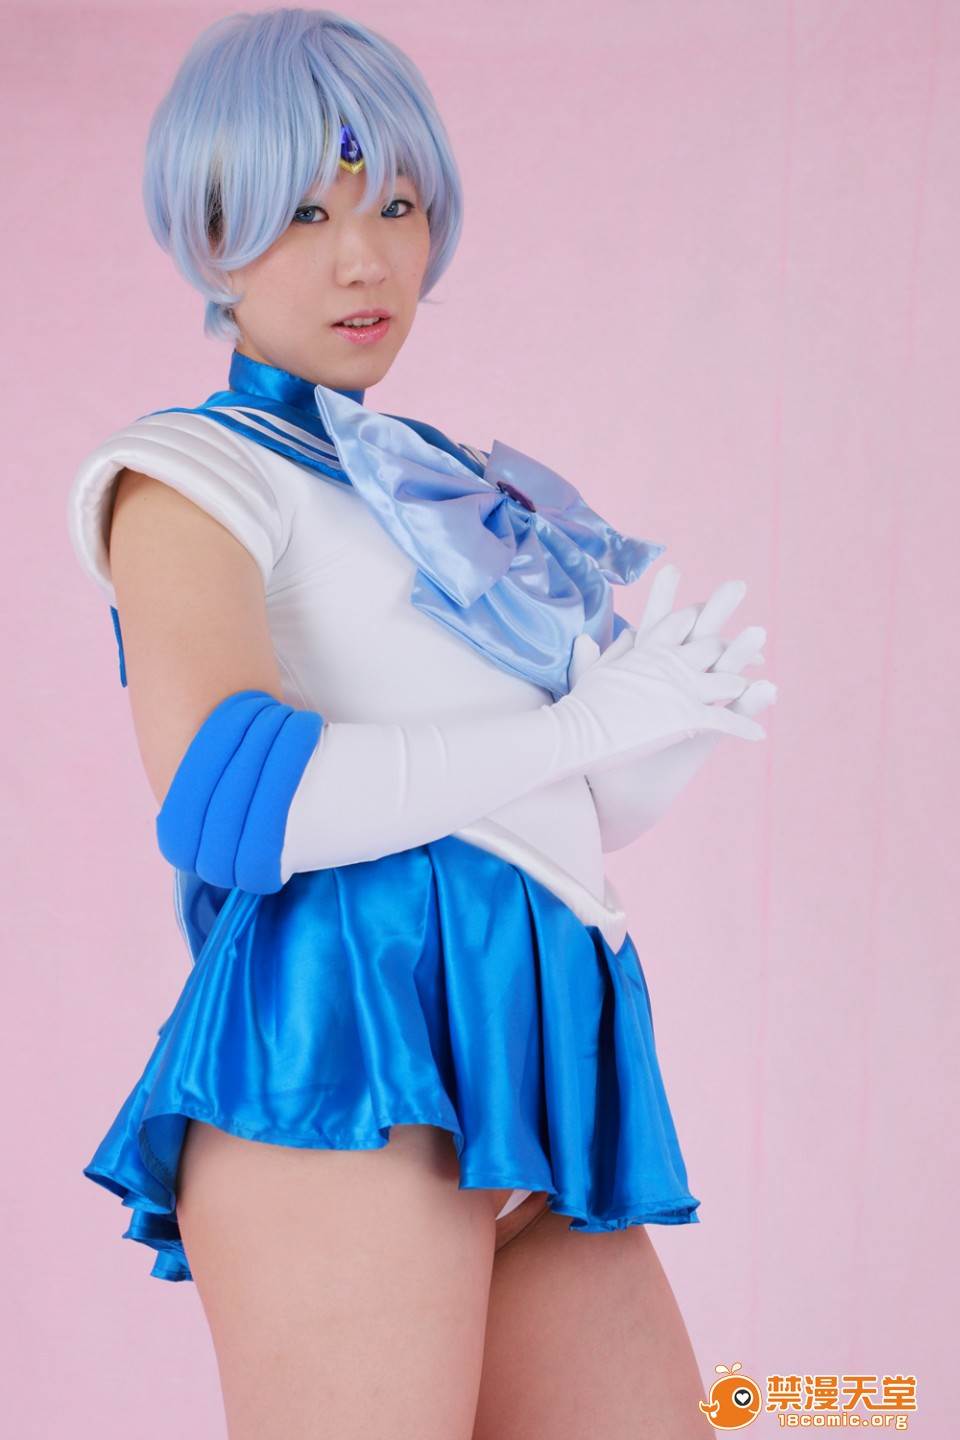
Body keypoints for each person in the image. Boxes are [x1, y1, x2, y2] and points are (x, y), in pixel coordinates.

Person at [66, 9, 776, 1437]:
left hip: (536, 1046)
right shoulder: (188, 473)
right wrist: (580, 733)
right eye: (306, 213)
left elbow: (535, 821)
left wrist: (662, 735)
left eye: (396, 206)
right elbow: (231, 800)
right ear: (212, 232)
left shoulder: (431, 478)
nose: (365, 258)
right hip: (346, 1052)